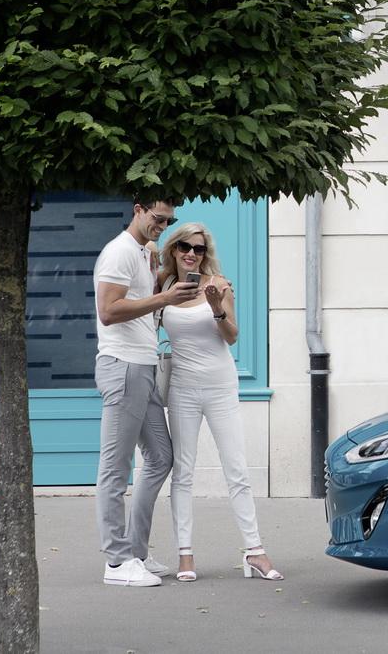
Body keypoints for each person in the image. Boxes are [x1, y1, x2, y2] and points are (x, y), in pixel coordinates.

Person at [156, 222, 282, 583]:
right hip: (182, 388)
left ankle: (254, 551)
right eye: (184, 247)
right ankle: (185, 554)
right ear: (174, 249)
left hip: (220, 386)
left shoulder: (219, 284)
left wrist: (215, 307)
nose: (191, 254)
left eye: (198, 249)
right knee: (183, 472)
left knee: (236, 469)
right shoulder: (164, 284)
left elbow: (231, 337)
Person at [93, 195, 199, 588]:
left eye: (169, 220)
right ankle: (117, 562)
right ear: (137, 209)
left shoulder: (141, 252)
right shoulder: (119, 252)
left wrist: (155, 272)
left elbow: (138, 301)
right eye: (158, 218)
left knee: (160, 457)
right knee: (115, 467)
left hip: (144, 365)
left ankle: (135, 551)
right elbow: (109, 311)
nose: (163, 226)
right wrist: (164, 298)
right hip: (123, 366)